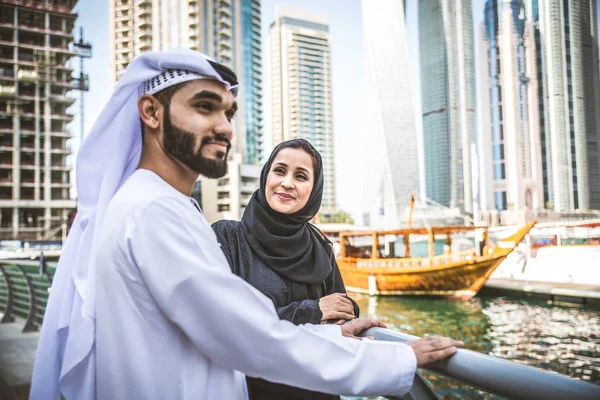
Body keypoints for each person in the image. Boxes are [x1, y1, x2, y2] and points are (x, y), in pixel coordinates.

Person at [30, 48, 463, 400]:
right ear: (151, 112)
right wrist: (401, 359)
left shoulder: (166, 207)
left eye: (229, 113)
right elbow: (250, 338)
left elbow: (232, 328)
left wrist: (335, 334)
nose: (224, 127)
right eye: (204, 107)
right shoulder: (151, 213)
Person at [213, 139, 361, 399]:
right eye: (279, 171)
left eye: (301, 176)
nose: (287, 182)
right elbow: (223, 325)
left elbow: (341, 311)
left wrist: (347, 313)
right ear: (266, 176)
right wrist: (311, 311)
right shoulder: (228, 238)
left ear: (313, 190)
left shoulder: (320, 248)